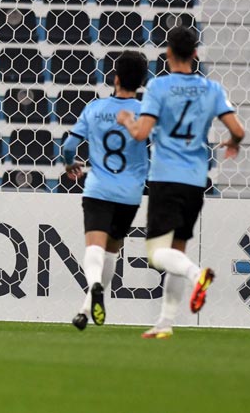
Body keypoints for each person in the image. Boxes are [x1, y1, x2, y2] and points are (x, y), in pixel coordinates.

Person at [117, 27, 245, 338]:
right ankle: (165, 323)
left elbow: (141, 133)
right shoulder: (211, 89)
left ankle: (197, 274)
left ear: (169, 54)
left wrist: (127, 121)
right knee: (178, 249)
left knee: (158, 254)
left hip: (166, 176)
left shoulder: (159, 87)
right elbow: (238, 129)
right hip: (195, 179)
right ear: (196, 55)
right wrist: (232, 142)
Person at [63, 51, 150, 331]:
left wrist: (70, 164)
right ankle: (86, 308)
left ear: (115, 78)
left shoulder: (94, 108)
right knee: (112, 249)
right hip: (130, 193)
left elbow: (68, 147)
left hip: (99, 188)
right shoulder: (146, 113)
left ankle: (95, 286)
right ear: (141, 82)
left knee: (94, 247)